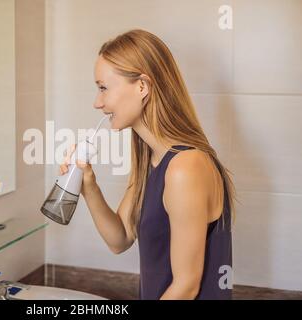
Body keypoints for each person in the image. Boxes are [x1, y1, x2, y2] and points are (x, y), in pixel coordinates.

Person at [59, 29, 236, 300]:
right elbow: (120, 239)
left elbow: (186, 287)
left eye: (103, 87)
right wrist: (89, 186)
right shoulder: (152, 161)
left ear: (142, 86)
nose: (98, 102)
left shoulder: (184, 168)